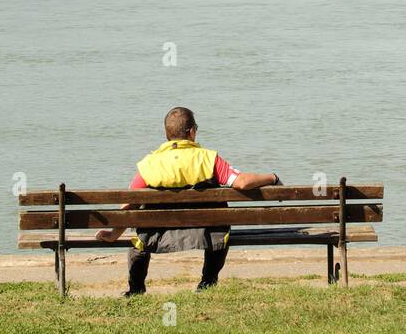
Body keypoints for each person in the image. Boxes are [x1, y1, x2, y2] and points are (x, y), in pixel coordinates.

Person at [97, 106, 280, 296]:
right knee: (220, 230)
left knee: (138, 241)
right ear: (191, 132)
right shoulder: (208, 159)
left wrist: (113, 234)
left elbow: (129, 204)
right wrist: (272, 178)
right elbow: (242, 183)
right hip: (206, 232)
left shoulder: (149, 164)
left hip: (157, 234)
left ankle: (136, 289)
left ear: (167, 134)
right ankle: (207, 283)